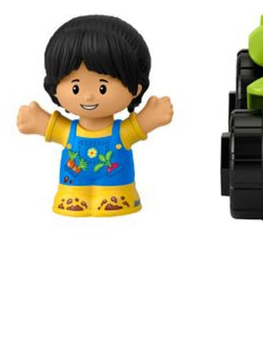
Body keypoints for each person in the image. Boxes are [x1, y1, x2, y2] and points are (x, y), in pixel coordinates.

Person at [17, 15, 173, 217]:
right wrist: (37, 120)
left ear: (136, 88)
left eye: (102, 87)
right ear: (54, 88)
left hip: (116, 185)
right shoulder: (69, 131)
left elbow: (138, 126)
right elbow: (51, 127)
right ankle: (73, 197)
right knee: (72, 198)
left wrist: (152, 116)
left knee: (115, 198)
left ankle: (113, 197)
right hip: (72, 184)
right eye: (75, 87)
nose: (88, 96)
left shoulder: (120, 132)